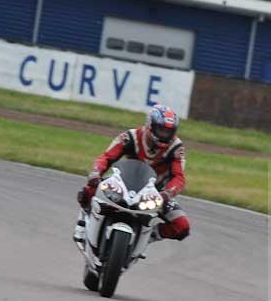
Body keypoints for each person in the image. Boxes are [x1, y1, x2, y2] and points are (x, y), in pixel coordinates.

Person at [74, 104, 190, 244]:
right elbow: (106, 157)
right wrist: (96, 172)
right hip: (122, 183)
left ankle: (147, 237)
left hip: (155, 193)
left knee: (182, 226)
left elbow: (179, 177)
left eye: (168, 132)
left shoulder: (177, 148)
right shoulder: (130, 137)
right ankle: (82, 223)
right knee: (89, 189)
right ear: (150, 126)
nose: (165, 135)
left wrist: (167, 194)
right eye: (161, 130)